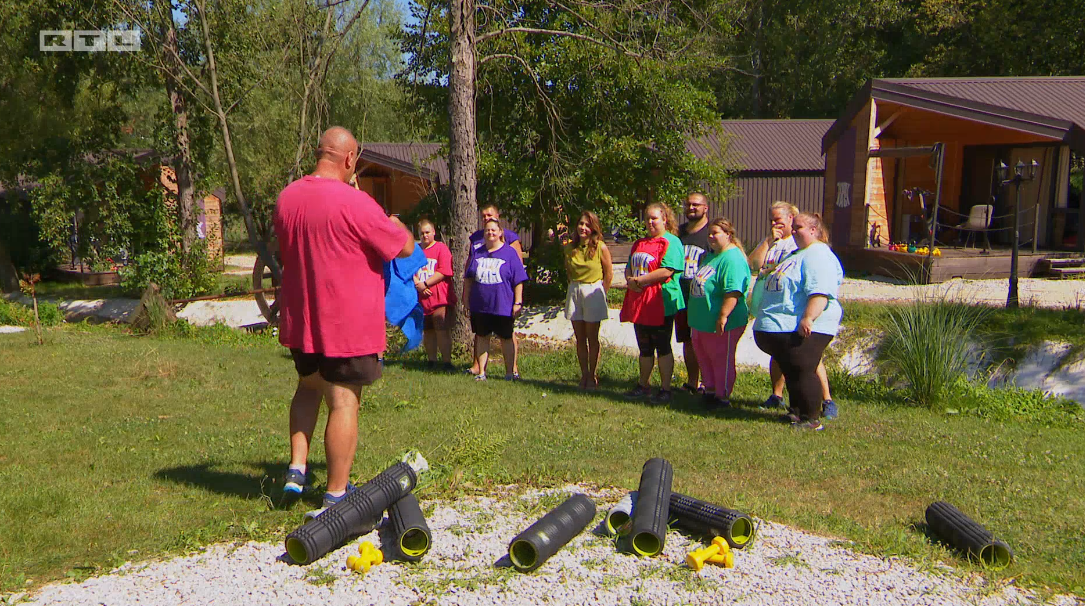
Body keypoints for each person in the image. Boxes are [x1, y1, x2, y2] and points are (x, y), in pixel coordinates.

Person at [275, 126, 415, 510]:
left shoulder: (287, 198)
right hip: (345, 324)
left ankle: (296, 470)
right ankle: (336, 493)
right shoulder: (356, 204)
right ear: (350, 159)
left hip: (303, 319)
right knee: (343, 402)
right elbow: (404, 247)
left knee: (307, 387)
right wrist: (397, 223)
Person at [752, 212, 843, 431]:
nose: (793, 231)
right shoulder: (798, 254)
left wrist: (808, 317)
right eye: (793, 228)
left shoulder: (818, 254)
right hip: (783, 326)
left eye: (799, 227)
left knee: (803, 369)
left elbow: (820, 291)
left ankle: (811, 418)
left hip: (807, 325)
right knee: (792, 370)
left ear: (814, 230)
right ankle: (797, 412)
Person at [620, 202, 685, 404]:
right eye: (647, 218)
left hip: (661, 301)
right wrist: (631, 280)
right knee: (644, 345)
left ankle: (666, 388)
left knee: (662, 345)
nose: (650, 222)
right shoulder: (639, 243)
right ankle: (643, 384)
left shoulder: (671, 242)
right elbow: (630, 266)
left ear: (664, 219)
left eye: (654, 218)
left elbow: (668, 270)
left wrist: (641, 281)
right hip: (641, 301)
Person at [686, 218, 750, 409]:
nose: (711, 237)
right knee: (704, 357)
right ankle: (710, 389)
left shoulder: (733, 258)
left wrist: (723, 315)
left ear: (728, 235)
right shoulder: (711, 256)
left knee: (720, 358)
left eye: (716, 233)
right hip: (701, 320)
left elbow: (733, 291)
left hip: (722, 321)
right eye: (710, 234)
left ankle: (722, 396)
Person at [465, 219, 528, 381]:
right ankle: (481, 373)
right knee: (482, 337)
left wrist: (518, 302)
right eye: (487, 230)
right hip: (480, 305)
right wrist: (466, 299)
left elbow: (518, 280)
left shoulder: (509, 253)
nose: (490, 233)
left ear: (501, 233)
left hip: (503, 305)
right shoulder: (478, 252)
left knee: (506, 338)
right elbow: (469, 278)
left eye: (494, 230)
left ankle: (509, 373)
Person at [564, 211, 614, 390]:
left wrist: (602, 293)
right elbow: (569, 272)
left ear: (593, 228)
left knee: (592, 337)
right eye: (581, 224)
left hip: (593, 290)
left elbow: (608, 273)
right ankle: (583, 374)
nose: (583, 228)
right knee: (580, 338)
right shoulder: (569, 248)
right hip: (575, 290)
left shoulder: (600, 247)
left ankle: (592, 375)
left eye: (587, 225)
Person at [675, 193, 712, 393]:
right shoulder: (678, 232)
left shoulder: (711, 233)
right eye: (688, 204)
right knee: (687, 340)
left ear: (706, 208)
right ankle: (692, 382)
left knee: (704, 340)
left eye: (696, 205)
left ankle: (708, 383)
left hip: (702, 295)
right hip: (681, 294)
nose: (691, 208)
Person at [415, 219, 456, 370]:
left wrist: (426, 284)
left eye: (427, 232)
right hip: (422, 298)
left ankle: (446, 362)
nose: (425, 235)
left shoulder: (441, 248)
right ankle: (431, 360)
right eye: (422, 233)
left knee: (441, 329)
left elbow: (444, 271)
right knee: (428, 331)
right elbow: (410, 270)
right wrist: (418, 284)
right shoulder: (416, 250)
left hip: (439, 297)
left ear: (434, 232)